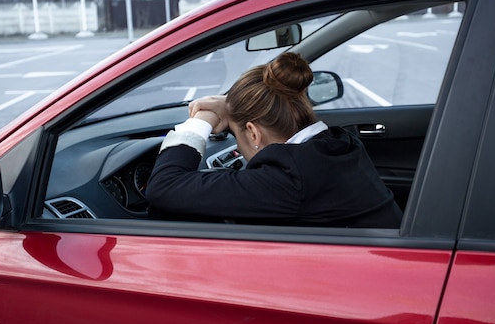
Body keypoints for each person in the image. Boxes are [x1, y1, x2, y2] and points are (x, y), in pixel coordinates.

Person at [146, 52, 402, 228]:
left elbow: (163, 187)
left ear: (254, 133)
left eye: (236, 134)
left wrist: (201, 120)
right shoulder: (342, 145)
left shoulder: (288, 180)